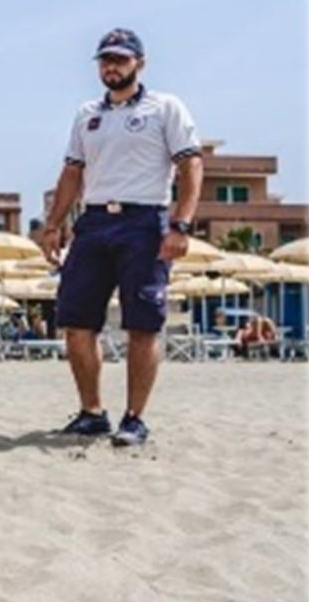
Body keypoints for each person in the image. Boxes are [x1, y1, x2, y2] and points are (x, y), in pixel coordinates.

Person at [39, 28, 203, 446]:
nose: (112, 66)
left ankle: (134, 418)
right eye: (105, 59)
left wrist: (181, 224)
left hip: (144, 220)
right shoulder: (86, 113)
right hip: (94, 222)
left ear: (139, 63)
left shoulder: (164, 107)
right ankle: (92, 412)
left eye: (121, 59)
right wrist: (53, 223)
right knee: (75, 321)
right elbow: (72, 172)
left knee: (143, 322)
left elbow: (190, 166)